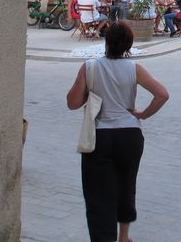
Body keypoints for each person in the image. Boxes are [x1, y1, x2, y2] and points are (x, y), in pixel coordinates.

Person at [66, 22, 169, 242]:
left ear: (106, 41)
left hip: (100, 136)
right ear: (128, 45)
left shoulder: (90, 67)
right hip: (130, 136)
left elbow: (72, 103)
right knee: (126, 185)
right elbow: (162, 94)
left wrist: (88, 94)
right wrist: (142, 115)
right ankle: (124, 237)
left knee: (98, 195)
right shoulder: (134, 68)